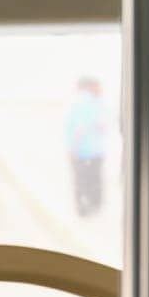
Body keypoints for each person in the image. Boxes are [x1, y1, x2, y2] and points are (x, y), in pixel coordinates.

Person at [64, 77, 106, 217]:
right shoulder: (96, 102)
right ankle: (95, 207)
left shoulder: (77, 103)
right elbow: (102, 126)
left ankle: (83, 210)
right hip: (96, 151)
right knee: (94, 180)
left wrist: (72, 149)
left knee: (81, 181)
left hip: (82, 151)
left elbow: (79, 129)